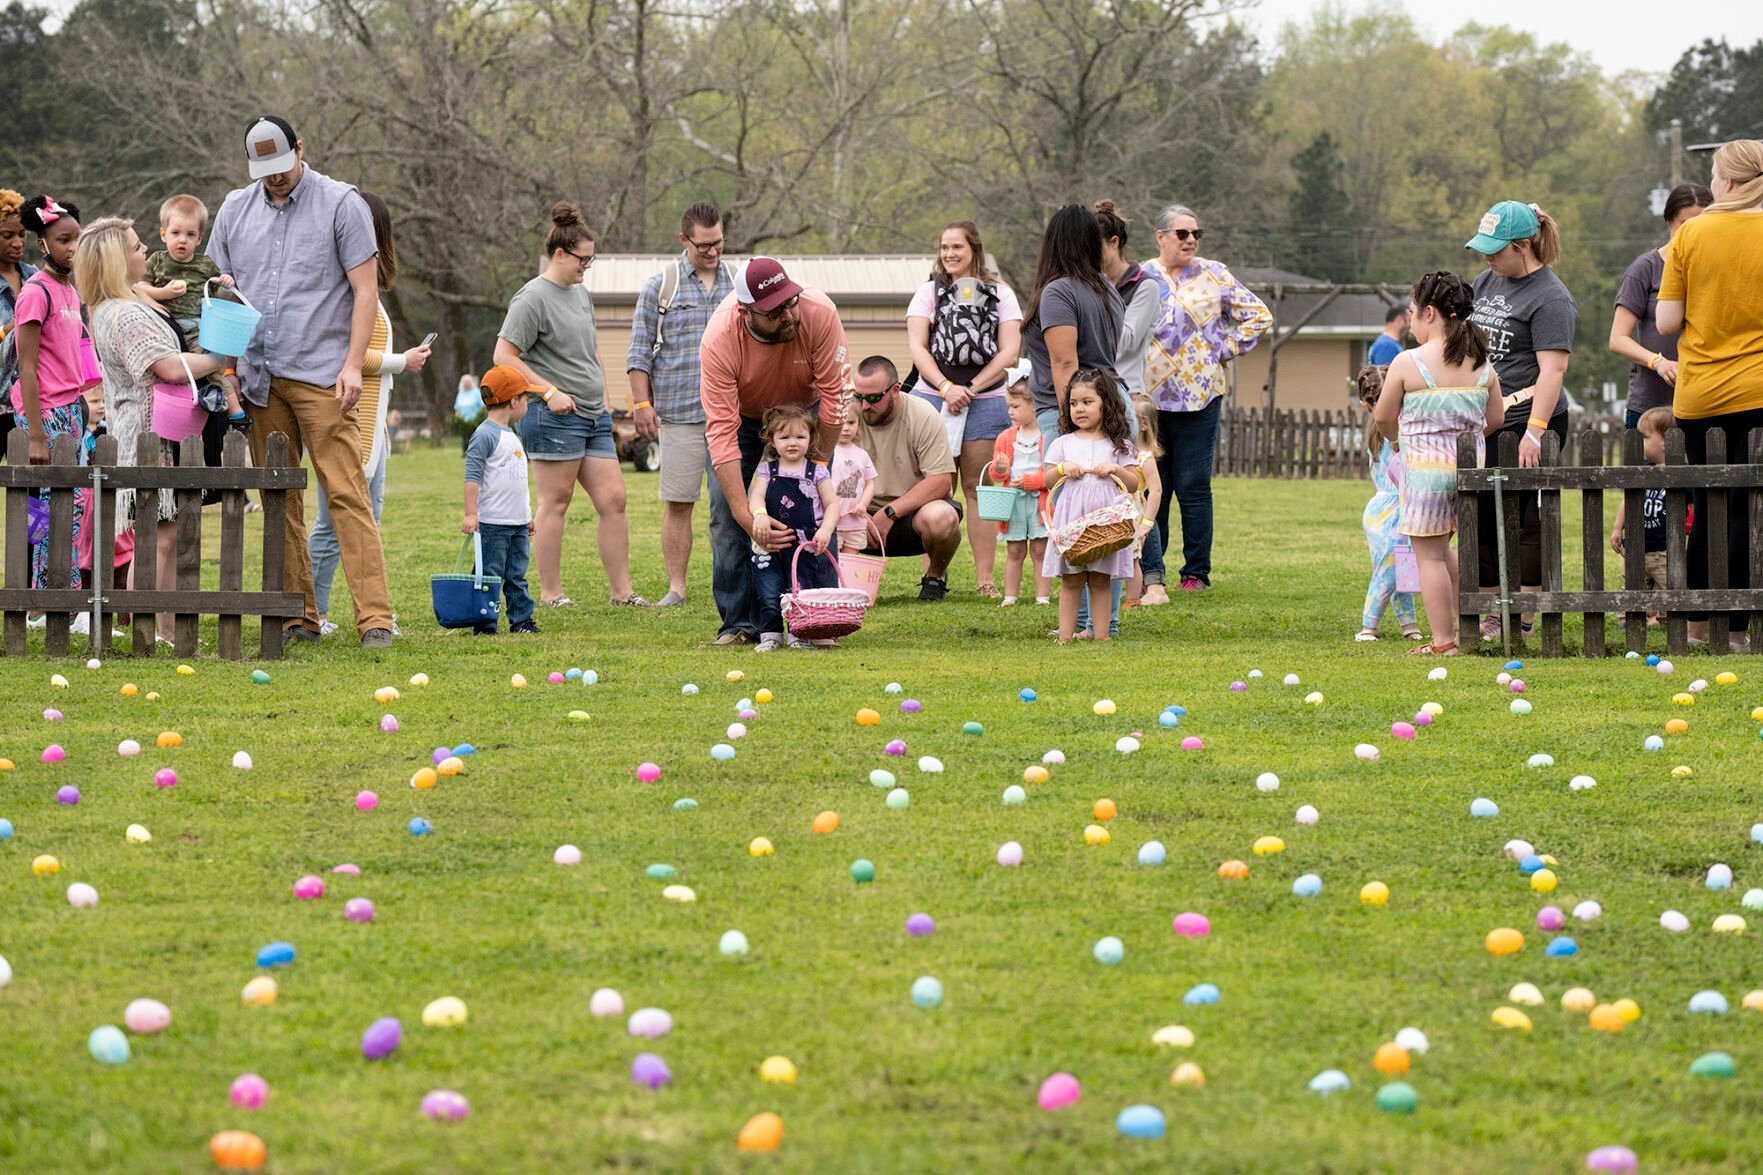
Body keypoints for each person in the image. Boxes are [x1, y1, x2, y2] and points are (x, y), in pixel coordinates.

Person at [207, 114, 395, 647]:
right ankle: (299, 617)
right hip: (260, 377)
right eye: (264, 170)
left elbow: (366, 292)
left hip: (322, 377)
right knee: (280, 499)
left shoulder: (342, 204)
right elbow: (221, 296)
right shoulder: (233, 210)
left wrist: (354, 364)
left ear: (300, 150)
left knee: (345, 492)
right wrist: (226, 371)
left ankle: (375, 619)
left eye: (282, 165)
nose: (276, 177)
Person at [77, 216, 234, 644]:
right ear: (114, 260)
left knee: (163, 537)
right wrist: (221, 358)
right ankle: (152, 633)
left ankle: (162, 630)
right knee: (158, 541)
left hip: (154, 432)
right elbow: (165, 368)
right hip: (152, 436)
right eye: (135, 246)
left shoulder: (119, 305)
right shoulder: (124, 314)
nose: (145, 249)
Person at [494, 201, 645, 609]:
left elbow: (589, 350)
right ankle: (551, 593)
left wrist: (607, 398)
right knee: (556, 502)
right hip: (553, 415)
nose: (587, 266)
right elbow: (504, 356)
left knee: (614, 499)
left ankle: (623, 593)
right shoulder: (531, 299)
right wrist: (547, 391)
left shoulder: (580, 295)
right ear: (560, 255)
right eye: (583, 258)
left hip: (592, 415)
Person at [700, 256, 849, 644]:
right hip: (746, 422)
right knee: (726, 516)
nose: (788, 314)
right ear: (746, 311)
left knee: (815, 510)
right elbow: (721, 431)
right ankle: (741, 624)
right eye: (775, 310)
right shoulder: (720, 338)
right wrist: (744, 513)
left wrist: (815, 468)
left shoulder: (818, 314)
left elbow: (835, 399)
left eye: (790, 301)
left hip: (807, 417)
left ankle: (820, 618)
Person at [309, 191, 430, 636]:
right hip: (348, 423)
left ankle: (336, 610)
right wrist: (403, 360)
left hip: (372, 425)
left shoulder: (367, 291)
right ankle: (313, 610)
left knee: (365, 519)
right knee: (333, 525)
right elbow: (350, 358)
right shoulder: (345, 289)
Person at [1657, 139, 1763, 648]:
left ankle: (1698, 627)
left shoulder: (1692, 234)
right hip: (1758, 389)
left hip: (1700, 393)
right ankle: (1740, 631)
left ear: (1728, 182)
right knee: (1746, 507)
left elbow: (1667, 320)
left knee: (1707, 503)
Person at [1367, 271, 1503, 657]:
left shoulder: (1409, 362)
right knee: (1447, 553)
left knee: (1428, 556)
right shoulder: (1482, 364)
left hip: (1425, 469)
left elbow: (1382, 415)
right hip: (1468, 467)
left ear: (1429, 313)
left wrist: (1398, 440)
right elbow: (1494, 419)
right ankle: (1467, 629)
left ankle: (1444, 641)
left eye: (1412, 312)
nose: (1409, 321)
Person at [1142, 203, 1272, 593]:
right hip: (1148, 399)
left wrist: (1222, 348)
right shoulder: (1142, 277)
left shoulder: (1215, 274)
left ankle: (1196, 573)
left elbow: (1258, 316)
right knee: (1154, 485)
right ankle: (1152, 571)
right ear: (1161, 236)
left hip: (1201, 395)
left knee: (1193, 483)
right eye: (1183, 234)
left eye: (1196, 234)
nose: (1191, 240)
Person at [1464, 199, 1577, 642]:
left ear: (1523, 245)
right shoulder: (1486, 280)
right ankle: (1493, 612)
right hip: (1489, 418)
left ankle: (1526, 614)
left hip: (1532, 419)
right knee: (1484, 517)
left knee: (1527, 521)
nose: (1487, 257)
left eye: (1496, 249)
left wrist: (1535, 432)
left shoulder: (1551, 298)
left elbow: (1553, 371)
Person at [905, 220, 1022, 597]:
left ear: (974, 249)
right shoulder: (928, 293)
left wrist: (969, 388)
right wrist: (945, 387)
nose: (950, 254)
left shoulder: (1001, 294)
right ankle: (934, 576)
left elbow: (1009, 352)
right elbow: (918, 347)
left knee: (976, 487)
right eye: (944, 247)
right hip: (932, 397)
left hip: (985, 401)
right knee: (935, 487)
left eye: (957, 246)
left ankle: (985, 580)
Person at [627, 201, 736, 607]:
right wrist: (642, 405)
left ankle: (728, 584)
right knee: (679, 502)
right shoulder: (662, 286)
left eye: (719, 243)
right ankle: (677, 587)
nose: (713, 252)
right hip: (680, 415)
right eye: (704, 245)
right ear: (684, 239)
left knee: (728, 507)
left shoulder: (738, 283)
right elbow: (639, 353)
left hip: (730, 416)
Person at [9, 195, 90, 609]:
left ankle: (54, 594)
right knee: (53, 508)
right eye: (63, 239)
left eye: (78, 238)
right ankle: (50, 596)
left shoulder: (72, 293)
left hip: (72, 411)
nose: (72, 247)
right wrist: (37, 435)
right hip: (45, 415)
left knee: (64, 504)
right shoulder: (36, 293)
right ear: (43, 245)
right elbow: (26, 369)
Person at [850, 356, 962, 596]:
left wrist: (890, 512)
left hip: (911, 515)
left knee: (942, 517)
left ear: (895, 391)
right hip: (856, 514)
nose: (864, 406)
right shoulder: (847, 416)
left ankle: (935, 576)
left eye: (873, 398)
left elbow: (942, 480)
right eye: (859, 397)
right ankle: (839, 579)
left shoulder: (922, 415)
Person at [134, 194, 248, 429]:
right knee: (172, 374)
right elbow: (141, 289)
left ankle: (235, 412)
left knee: (212, 366)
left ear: (199, 239)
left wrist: (226, 283)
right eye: (176, 233)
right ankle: (176, 414)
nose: (182, 240)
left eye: (190, 235)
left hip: (197, 327)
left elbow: (216, 295)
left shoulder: (205, 265)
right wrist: (165, 292)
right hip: (165, 327)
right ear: (163, 234)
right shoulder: (157, 261)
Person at [1042, 368, 1139, 643]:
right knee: (1071, 579)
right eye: (1073, 403)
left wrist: (1116, 470)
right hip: (1073, 520)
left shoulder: (1119, 446)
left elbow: (1132, 484)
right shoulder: (1063, 443)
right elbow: (1049, 480)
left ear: (1106, 404)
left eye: (1087, 402)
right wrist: (1062, 468)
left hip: (1105, 525)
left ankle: (1102, 636)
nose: (1079, 409)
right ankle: (1064, 636)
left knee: (1100, 578)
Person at [1610, 184, 1714, 429]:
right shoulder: (1645, 268)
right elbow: (1618, 339)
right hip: (1650, 406)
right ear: (1669, 221)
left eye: (1700, 224)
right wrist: (1658, 362)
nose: (1692, 232)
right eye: (1684, 224)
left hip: (1706, 401)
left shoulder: (1716, 269)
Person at [1021, 204, 1124, 441]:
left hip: (1080, 416)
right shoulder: (1105, 287)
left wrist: (1072, 429)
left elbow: (1065, 363)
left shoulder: (1059, 292)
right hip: (1114, 405)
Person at [747, 402, 840, 652]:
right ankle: (770, 635)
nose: (792, 442)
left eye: (800, 436)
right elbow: (756, 496)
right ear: (772, 440)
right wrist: (760, 515)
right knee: (768, 589)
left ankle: (800, 634)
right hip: (770, 544)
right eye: (784, 436)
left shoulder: (817, 472)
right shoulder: (768, 470)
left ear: (810, 439)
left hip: (804, 546)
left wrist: (826, 529)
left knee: (801, 589)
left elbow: (832, 504)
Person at [461, 364, 537, 635]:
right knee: (489, 576)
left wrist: (526, 516)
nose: (527, 403)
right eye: (526, 398)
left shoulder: (511, 435)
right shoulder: (485, 435)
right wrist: (472, 514)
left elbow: (517, 482)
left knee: (517, 575)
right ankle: (484, 622)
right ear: (514, 401)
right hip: (492, 523)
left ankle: (522, 621)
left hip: (516, 523)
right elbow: (472, 477)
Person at [1352, 364, 1421, 642]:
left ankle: (1409, 624)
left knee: (1404, 571)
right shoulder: (1385, 434)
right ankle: (1369, 625)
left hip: (1404, 506)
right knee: (1389, 569)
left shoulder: (1400, 428)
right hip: (1387, 511)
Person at [988, 378, 1050, 607]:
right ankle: (1010, 596)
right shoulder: (1006, 438)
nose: (1010, 411)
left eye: (1016, 406)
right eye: (1009, 406)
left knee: (1039, 549)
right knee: (1014, 550)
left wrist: (1032, 482)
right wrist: (1001, 469)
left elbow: (1053, 475)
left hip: (1038, 503)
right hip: (1013, 504)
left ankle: (1042, 596)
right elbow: (997, 475)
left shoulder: (1046, 436)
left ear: (1034, 405)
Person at [1610, 406, 1673, 626]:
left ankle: (1665, 619)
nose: (1639, 443)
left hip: (1665, 550)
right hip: (1636, 547)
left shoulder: (1680, 473)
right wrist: (1618, 528)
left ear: (1666, 441)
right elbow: (1628, 500)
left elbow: (1691, 510)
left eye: (1645, 437)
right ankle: (1628, 619)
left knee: (1669, 588)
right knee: (1632, 586)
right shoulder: (1643, 471)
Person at [0, 188, 38, 458]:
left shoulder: (35, 278)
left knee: (34, 488)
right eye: (7, 235)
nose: (18, 242)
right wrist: (10, 328)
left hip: (30, 403)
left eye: (22, 235)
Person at [1125, 396, 1165, 609]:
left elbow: (1156, 489)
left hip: (1135, 512)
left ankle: (1133, 598)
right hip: (1118, 511)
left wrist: (1147, 522)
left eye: (1127, 415)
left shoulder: (1144, 457)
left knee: (1132, 558)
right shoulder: (1119, 452)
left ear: (1143, 424)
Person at [830, 413, 877, 555]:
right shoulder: (827, 452)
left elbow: (870, 484)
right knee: (832, 564)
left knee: (851, 566)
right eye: (841, 423)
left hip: (855, 523)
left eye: (851, 423)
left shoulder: (862, 455)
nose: (846, 428)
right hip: (831, 523)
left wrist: (863, 504)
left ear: (859, 424)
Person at [453, 373, 483, 454]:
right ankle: (464, 452)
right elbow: (457, 406)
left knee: (473, 436)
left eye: (468, 382)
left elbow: (482, 406)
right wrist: (456, 417)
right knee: (464, 437)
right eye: (465, 382)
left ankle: (474, 452)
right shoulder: (461, 392)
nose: (466, 384)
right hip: (463, 419)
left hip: (474, 420)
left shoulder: (476, 392)